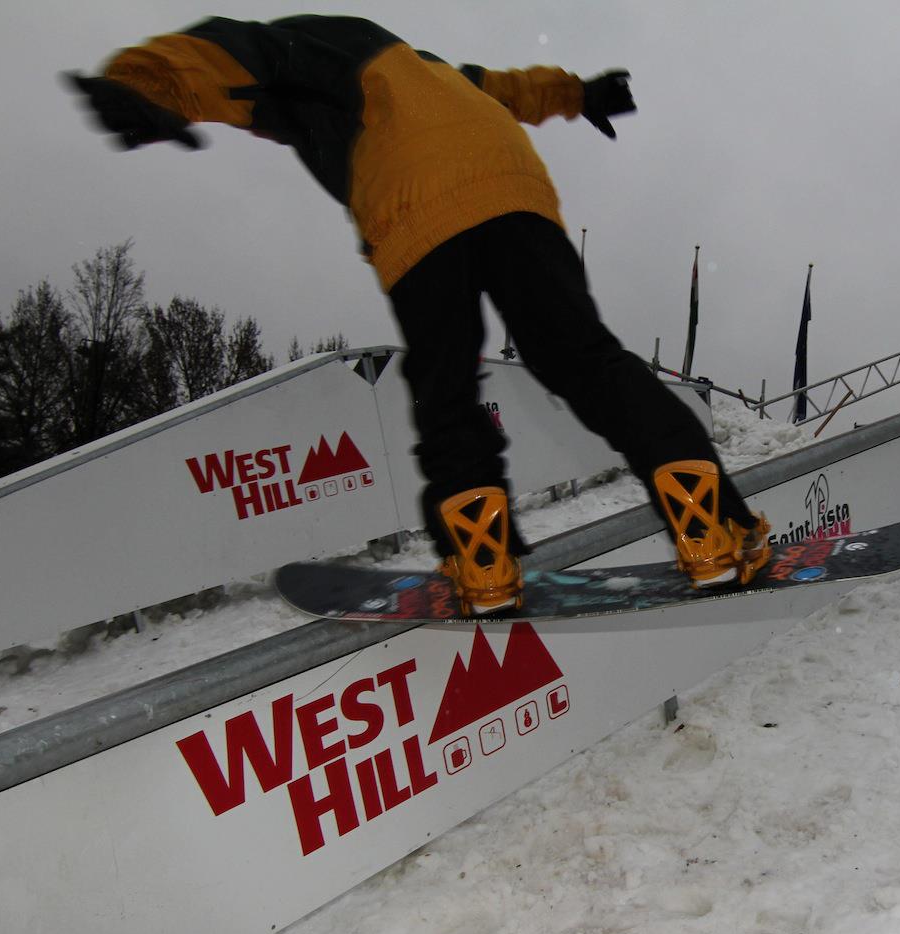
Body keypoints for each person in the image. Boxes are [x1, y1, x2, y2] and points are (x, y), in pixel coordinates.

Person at [66, 14, 769, 615]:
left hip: (414, 212)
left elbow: (238, 47)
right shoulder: (442, 74)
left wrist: (138, 82)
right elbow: (514, 88)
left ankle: (484, 566)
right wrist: (579, 93)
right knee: (584, 359)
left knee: (446, 385)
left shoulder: (336, 50)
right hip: (512, 190)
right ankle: (710, 533)